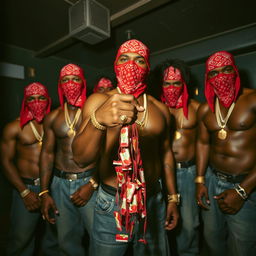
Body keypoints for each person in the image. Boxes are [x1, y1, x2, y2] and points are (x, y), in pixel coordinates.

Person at [72, 39, 179, 256]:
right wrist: (98, 121)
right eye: (124, 58)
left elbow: (166, 155)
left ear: (147, 69)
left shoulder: (160, 110)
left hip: (152, 201)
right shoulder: (98, 101)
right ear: (115, 64)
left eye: (139, 60)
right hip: (113, 201)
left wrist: (172, 198)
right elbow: (81, 159)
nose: (130, 65)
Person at [196, 51, 256, 256]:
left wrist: (242, 190)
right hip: (213, 180)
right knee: (212, 239)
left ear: (235, 71)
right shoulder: (205, 109)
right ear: (208, 78)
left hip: (246, 183)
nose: (220, 77)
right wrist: (200, 180)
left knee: (242, 247)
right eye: (214, 73)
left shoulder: (253, 99)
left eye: (226, 70)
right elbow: (203, 143)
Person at [39, 63, 97, 256]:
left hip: (89, 181)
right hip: (60, 183)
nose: (71, 83)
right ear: (60, 84)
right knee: (66, 241)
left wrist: (93, 184)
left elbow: (107, 151)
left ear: (83, 82)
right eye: (66, 80)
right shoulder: (53, 118)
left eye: (75, 79)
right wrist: (45, 191)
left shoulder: (93, 113)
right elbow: (47, 154)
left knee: (99, 237)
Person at [0, 82, 57, 255]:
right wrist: (24, 192)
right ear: (25, 101)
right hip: (27, 188)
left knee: (53, 237)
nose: (37, 102)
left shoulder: (55, 122)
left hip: (53, 186)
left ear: (48, 100)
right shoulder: (14, 127)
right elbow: (6, 161)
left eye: (41, 98)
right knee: (21, 239)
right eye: (32, 99)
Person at [158, 59, 200, 256]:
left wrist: (201, 177)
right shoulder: (155, 108)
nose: (171, 87)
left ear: (185, 83)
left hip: (187, 171)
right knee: (160, 222)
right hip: (160, 173)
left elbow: (205, 144)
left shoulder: (197, 108)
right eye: (167, 83)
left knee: (189, 225)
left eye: (176, 83)